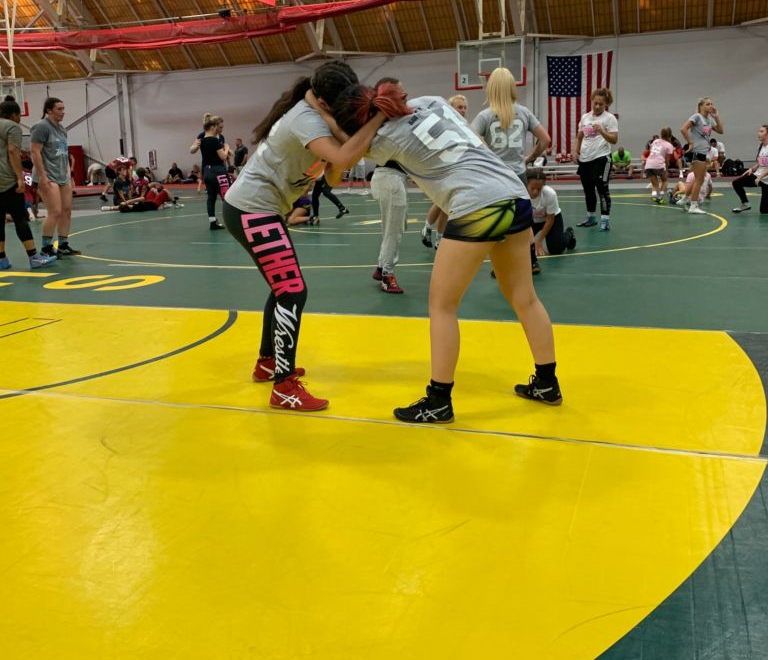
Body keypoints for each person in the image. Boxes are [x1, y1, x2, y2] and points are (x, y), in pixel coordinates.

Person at [331, 85, 561, 424]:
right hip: (513, 192)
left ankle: (438, 401)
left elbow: (340, 161)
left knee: (442, 306)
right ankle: (547, 383)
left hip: (476, 204)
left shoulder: (384, 139)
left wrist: (336, 119)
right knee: (525, 298)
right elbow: (478, 144)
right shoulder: (432, 101)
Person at [223, 61, 390, 413]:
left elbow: (333, 176)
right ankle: (283, 387)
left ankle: (268, 363)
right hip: (252, 209)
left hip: (258, 209)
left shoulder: (318, 117)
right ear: (326, 102)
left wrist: (335, 130)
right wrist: (378, 118)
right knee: (292, 290)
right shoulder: (305, 119)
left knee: (282, 288)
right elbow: (346, 154)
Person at [470, 66, 550, 271]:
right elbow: (545, 140)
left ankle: (500, 266)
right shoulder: (524, 113)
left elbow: (471, 139)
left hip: (495, 178)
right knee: (524, 220)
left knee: (497, 222)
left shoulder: (485, 116)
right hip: (518, 175)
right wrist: (530, 158)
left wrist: (490, 157)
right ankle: (531, 260)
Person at [0, 98, 57, 269]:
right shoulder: (12, 127)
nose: (20, 119)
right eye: (19, 115)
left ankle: (1, 259)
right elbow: (12, 151)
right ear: (14, 114)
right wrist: (20, 177)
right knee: (20, 217)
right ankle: (34, 257)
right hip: (7, 179)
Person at [370, 76, 408, 294]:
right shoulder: (386, 121)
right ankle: (387, 274)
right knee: (394, 231)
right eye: (400, 93)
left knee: (394, 227)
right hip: (389, 177)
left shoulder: (394, 118)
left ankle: (380, 267)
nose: (405, 96)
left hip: (393, 178)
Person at [30, 97, 80, 257]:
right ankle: (46, 248)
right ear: (49, 110)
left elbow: (64, 154)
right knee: (55, 211)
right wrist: (42, 176)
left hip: (62, 175)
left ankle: (63, 245)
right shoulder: (41, 127)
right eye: (59, 109)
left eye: (63, 109)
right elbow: (35, 152)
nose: (63, 112)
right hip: (48, 175)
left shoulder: (62, 129)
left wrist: (69, 175)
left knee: (66, 211)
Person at [421, 94, 471, 248]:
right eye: (459, 107)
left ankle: (439, 237)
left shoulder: (465, 125)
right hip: (443, 167)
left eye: (465, 107)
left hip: (459, 167)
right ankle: (427, 227)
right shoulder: (442, 123)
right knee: (441, 201)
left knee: (448, 207)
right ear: (451, 108)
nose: (463, 110)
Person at [574, 87, 619, 231]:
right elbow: (579, 136)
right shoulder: (585, 117)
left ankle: (605, 221)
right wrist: (575, 151)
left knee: (602, 189)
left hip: (601, 158)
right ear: (591, 101)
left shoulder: (609, 118)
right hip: (585, 159)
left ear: (606, 104)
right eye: (595, 103)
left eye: (601, 104)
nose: (598, 106)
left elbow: (614, 139)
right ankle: (591, 218)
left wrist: (602, 131)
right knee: (588, 190)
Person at [681, 97, 723, 214]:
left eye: (711, 104)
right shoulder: (696, 117)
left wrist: (716, 117)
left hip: (704, 153)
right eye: (708, 104)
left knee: (698, 179)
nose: (711, 106)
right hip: (698, 152)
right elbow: (683, 129)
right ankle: (693, 206)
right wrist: (690, 143)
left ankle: (685, 199)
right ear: (701, 106)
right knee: (699, 180)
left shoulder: (709, 120)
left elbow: (721, 131)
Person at [526, 169, 576, 259]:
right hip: (532, 221)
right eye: (532, 188)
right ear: (527, 184)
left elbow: (550, 220)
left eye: (539, 189)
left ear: (543, 186)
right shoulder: (521, 195)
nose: (535, 192)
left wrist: (539, 241)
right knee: (521, 245)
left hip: (551, 219)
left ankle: (569, 233)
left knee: (556, 249)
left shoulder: (550, 194)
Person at [199, 114, 232, 230]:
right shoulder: (215, 140)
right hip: (218, 171)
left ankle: (212, 222)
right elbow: (223, 157)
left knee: (211, 197)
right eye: (220, 127)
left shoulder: (202, 140)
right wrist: (226, 148)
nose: (221, 129)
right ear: (213, 127)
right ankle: (231, 223)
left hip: (207, 172)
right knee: (227, 197)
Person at [732, 124, 768, 214]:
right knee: (736, 183)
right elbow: (760, 163)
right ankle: (745, 204)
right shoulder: (760, 146)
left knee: (764, 211)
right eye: (759, 131)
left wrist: (760, 177)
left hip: (765, 179)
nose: (758, 133)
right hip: (758, 176)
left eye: (762, 131)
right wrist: (752, 169)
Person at [643, 127, 674, 203]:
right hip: (659, 164)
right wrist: (666, 168)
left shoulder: (655, 141)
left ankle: (653, 195)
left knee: (655, 184)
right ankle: (660, 196)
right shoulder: (669, 145)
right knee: (665, 180)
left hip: (649, 164)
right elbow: (667, 159)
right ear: (670, 135)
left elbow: (651, 151)